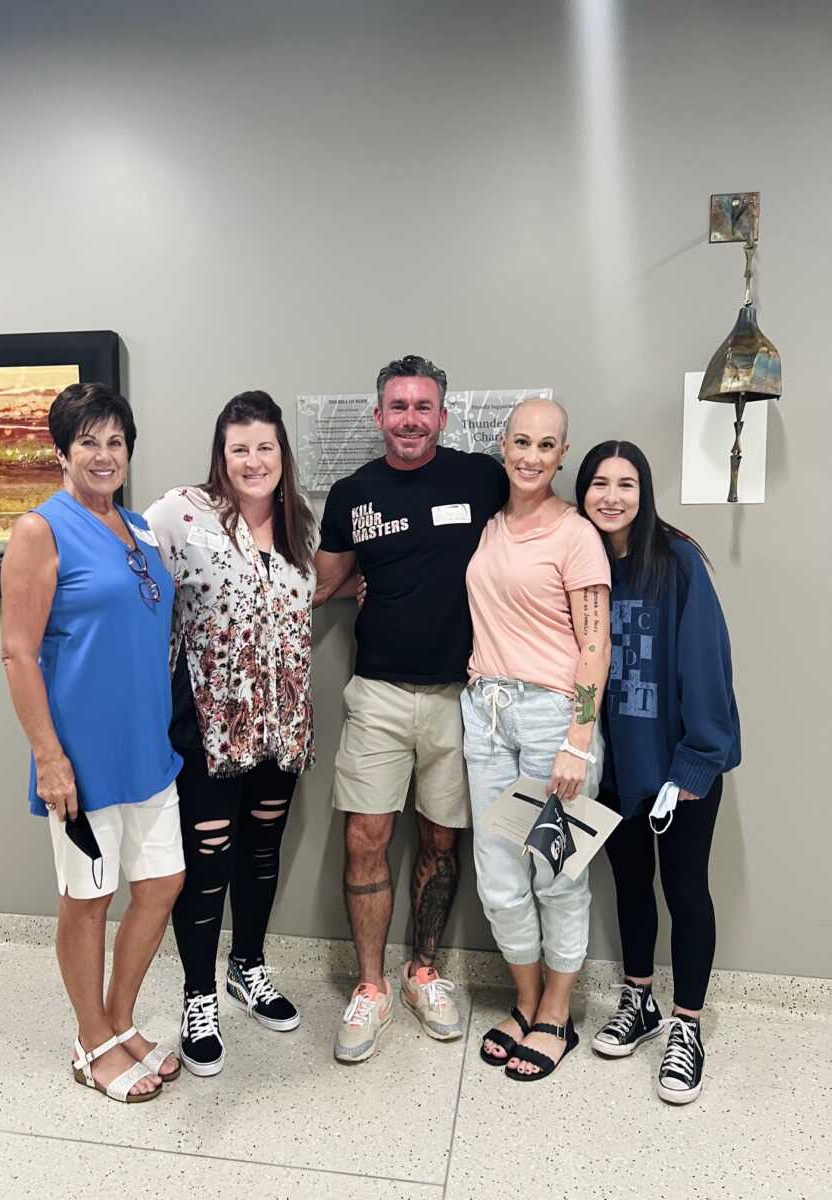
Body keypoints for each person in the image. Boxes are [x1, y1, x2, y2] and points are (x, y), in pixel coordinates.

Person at [314, 354, 508, 1063]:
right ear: (378, 417)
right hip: (379, 695)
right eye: (398, 407)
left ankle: (423, 972)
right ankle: (371, 986)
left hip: (466, 698)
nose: (410, 420)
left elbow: (532, 537)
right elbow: (325, 583)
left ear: (443, 416)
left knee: (441, 843)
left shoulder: (481, 477)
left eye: (423, 407)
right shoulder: (350, 492)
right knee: (365, 836)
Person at [0, 382, 185, 1104]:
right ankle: (91, 1042)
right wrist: (49, 758)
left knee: (162, 884)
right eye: (88, 441)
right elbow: (18, 653)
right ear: (63, 451)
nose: (104, 455)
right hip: (81, 760)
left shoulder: (137, 527)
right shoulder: (40, 530)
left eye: (115, 441)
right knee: (89, 898)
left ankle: (119, 1019)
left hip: (149, 751)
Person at [145, 391, 317, 1077]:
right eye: (239, 448)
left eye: (265, 447)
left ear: (282, 454)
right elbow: (132, 581)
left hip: (283, 723)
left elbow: (310, 595)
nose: (253, 460)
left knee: (263, 849)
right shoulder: (182, 513)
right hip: (209, 727)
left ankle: (249, 966)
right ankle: (199, 996)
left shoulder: (301, 524)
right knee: (208, 860)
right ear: (221, 455)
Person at [576, 441, 740, 1105]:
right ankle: (639, 998)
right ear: (582, 490)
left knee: (685, 889)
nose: (610, 496)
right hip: (610, 768)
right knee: (630, 885)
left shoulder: (676, 561)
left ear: (644, 493)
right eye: (598, 484)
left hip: (677, 772)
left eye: (626, 484)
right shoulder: (579, 562)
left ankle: (688, 1024)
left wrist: (697, 760)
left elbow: (706, 663)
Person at [463, 398, 612, 1082]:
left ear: (561, 454)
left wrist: (578, 740)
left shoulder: (575, 533)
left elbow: (594, 645)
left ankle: (558, 1011)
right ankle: (525, 1002)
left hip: (554, 719)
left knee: (556, 875)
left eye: (546, 446)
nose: (530, 456)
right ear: (503, 444)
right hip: (486, 713)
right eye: (521, 441)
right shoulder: (491, 526)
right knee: (499, 879)